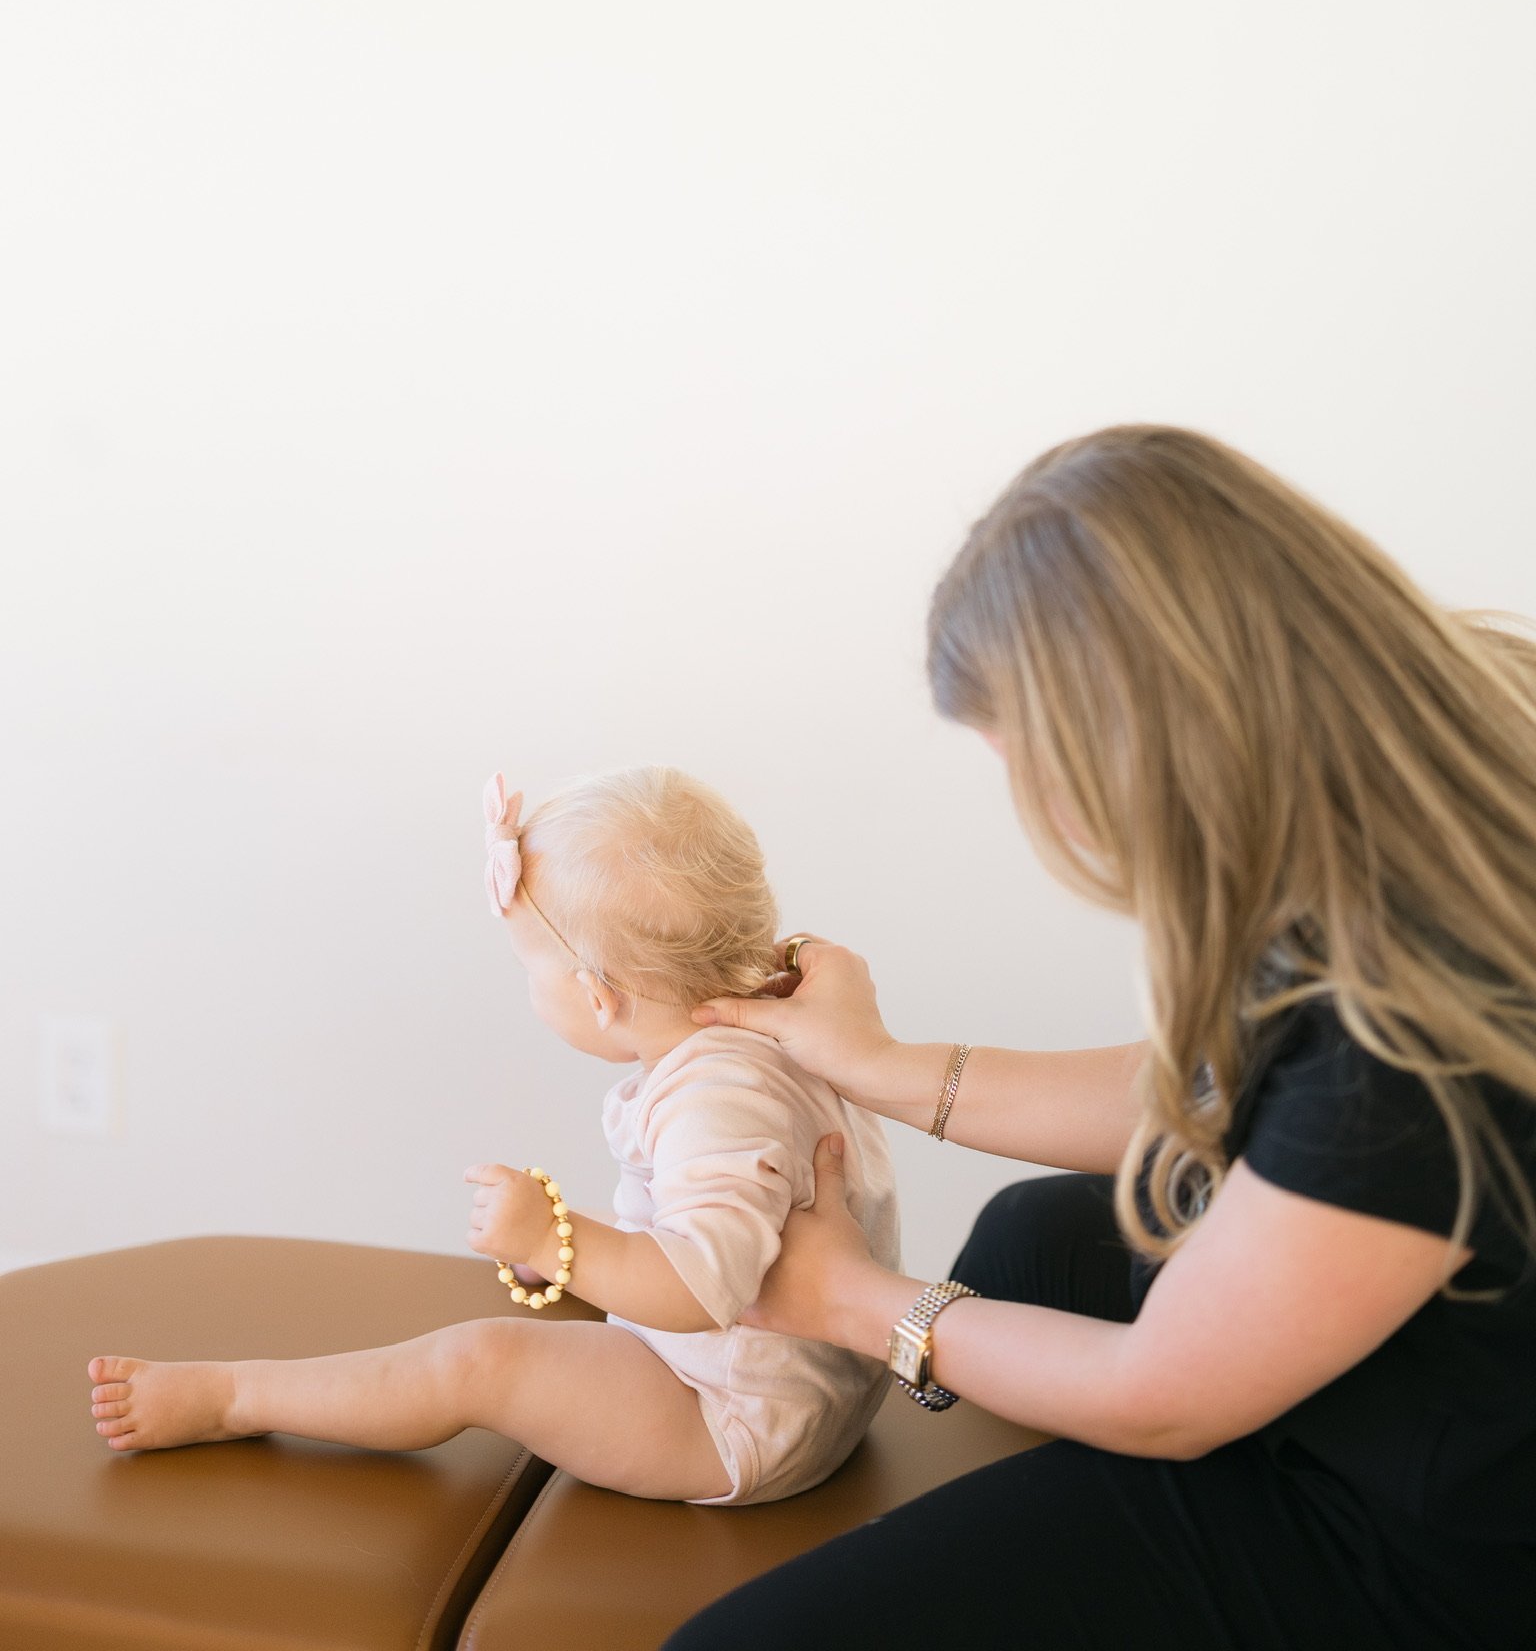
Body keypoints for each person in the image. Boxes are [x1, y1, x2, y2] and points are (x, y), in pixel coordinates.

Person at [670, 424, 1536, 1650]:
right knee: (1027, 1240)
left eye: (1027, 765)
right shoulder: (1441, 741)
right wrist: (883, 1065)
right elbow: (1236, 1089)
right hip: (1456, 1298)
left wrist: (858, 1301)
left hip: (1441, 1549)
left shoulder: (1405, 1022)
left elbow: (1163, 1395)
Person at [85, 766, 900, 1507]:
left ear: (597, 997)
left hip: (734, 1419)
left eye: (528, 970)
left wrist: (558, 1236)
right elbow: (736, 1236)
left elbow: (696, 1290)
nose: (525, 987)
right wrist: (573, 1254)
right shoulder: (776, 1030)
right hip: (807, 1383)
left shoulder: (715, 1098)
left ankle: (235, 1398)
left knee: (475, 1364)